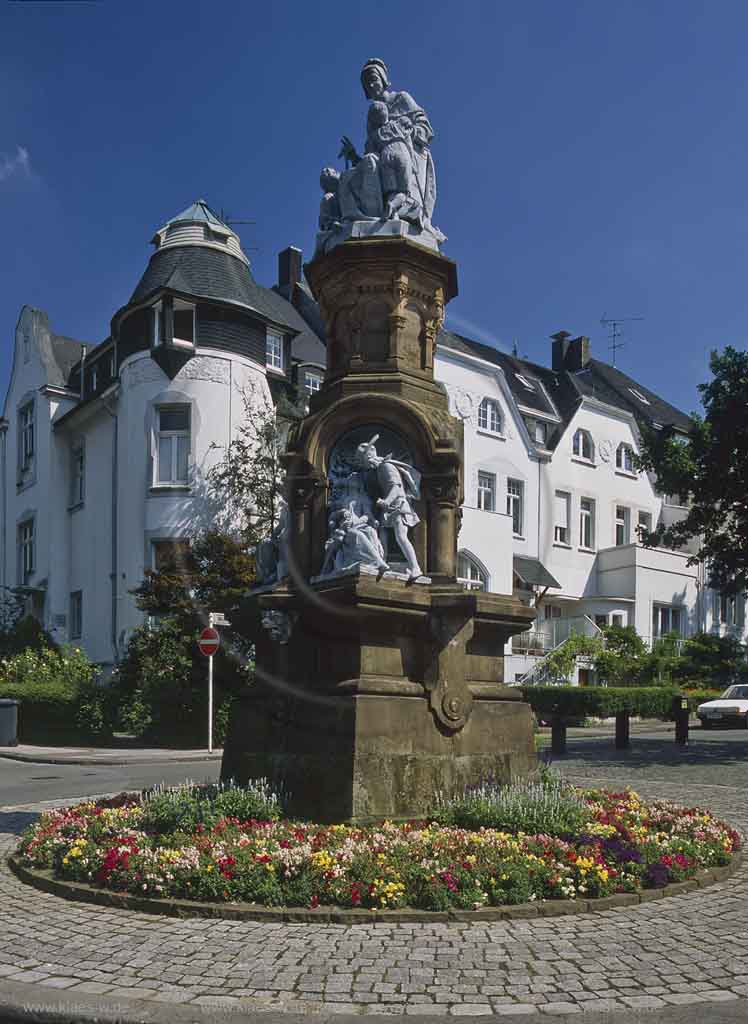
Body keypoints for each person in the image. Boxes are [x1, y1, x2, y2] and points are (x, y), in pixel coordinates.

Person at [339, 58, 437, 229]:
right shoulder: (372, 117)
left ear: (383, 80)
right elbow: (372, 149)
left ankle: (401, 202)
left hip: (409, 154)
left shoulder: (402, 99)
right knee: (367, 165)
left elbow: (426, 129)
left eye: (374, 79)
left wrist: (409, 131)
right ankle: (376, 213)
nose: (370, 85)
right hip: (385, 160)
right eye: (366, 83)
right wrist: (354, 156)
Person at [354, 435, 423, 579]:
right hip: (388, 509)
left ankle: (415, 567)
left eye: (362, 461)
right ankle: (382, 564)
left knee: (401, 537)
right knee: (382, 537)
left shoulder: (386, 466)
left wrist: (386, 501)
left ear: (368, 457)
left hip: (398, 505)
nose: (363, 465)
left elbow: (396, 487)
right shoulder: (377, 470)